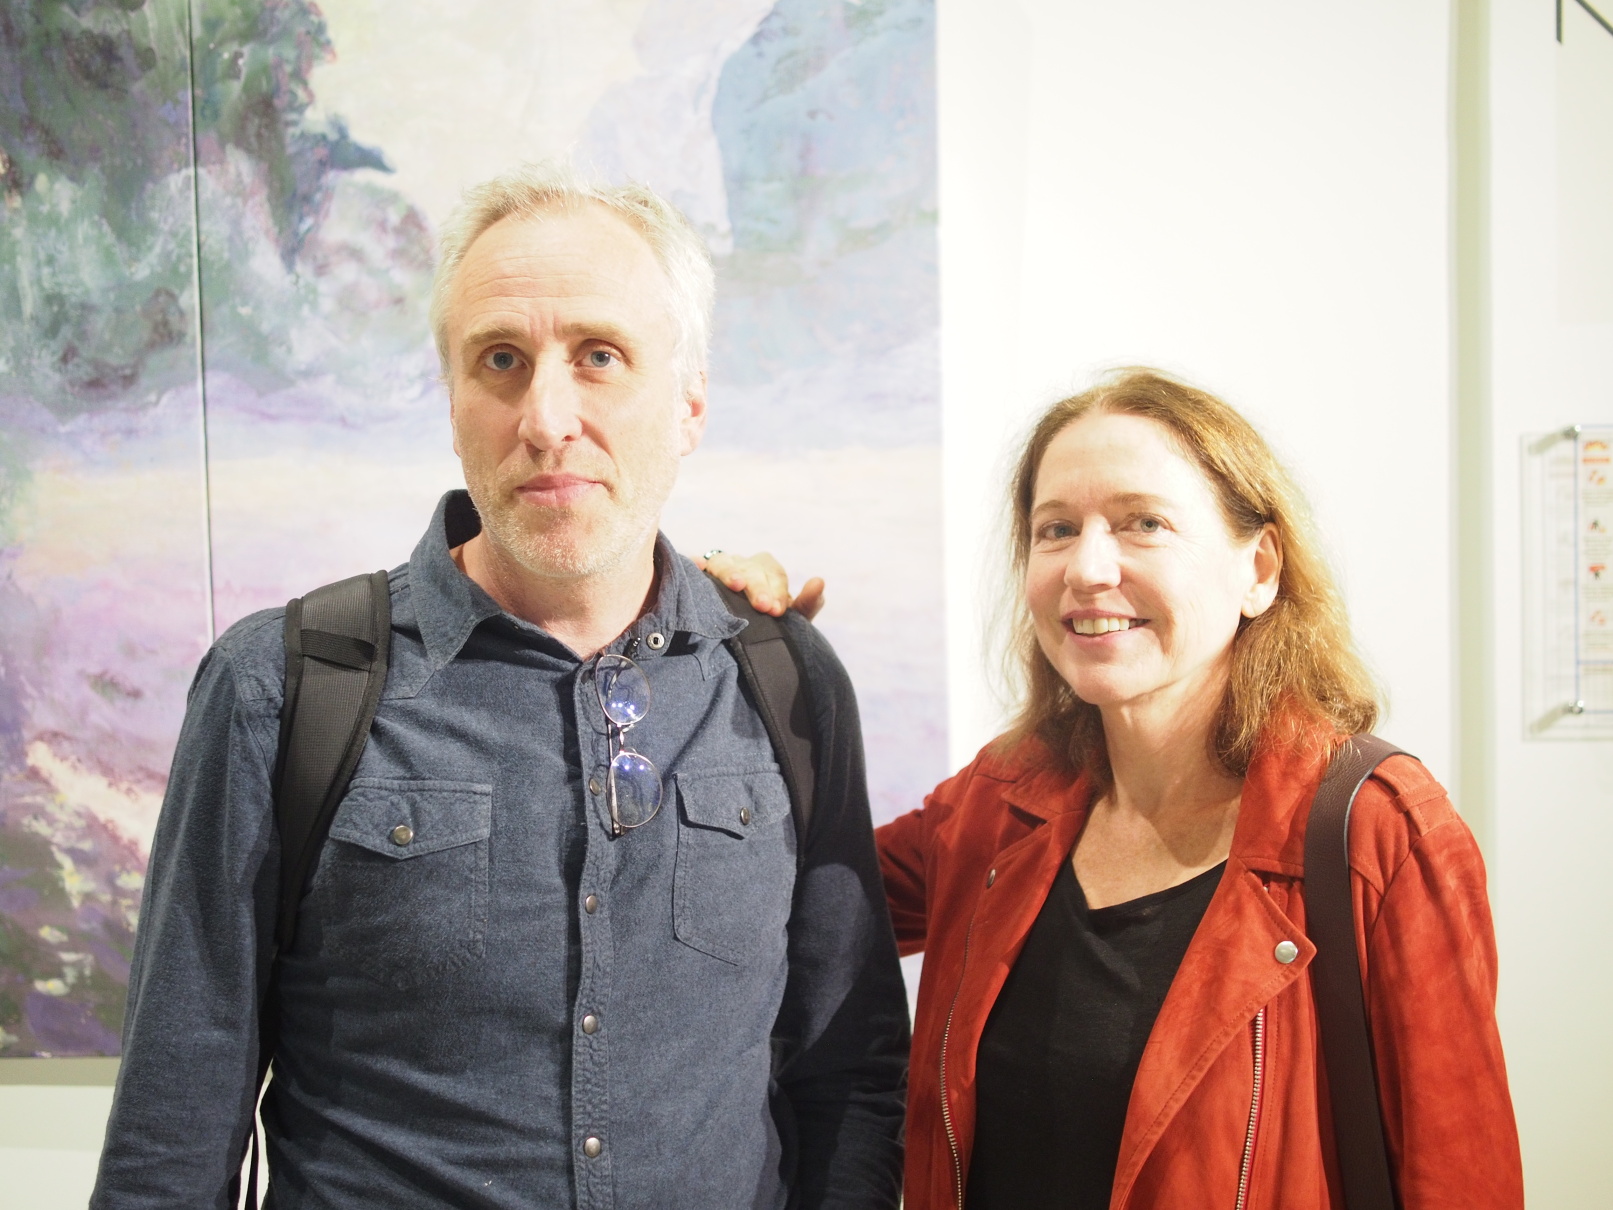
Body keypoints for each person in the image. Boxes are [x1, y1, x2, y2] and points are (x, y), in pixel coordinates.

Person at [91, 163, 909, 1210]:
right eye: (501, 361)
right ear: (452, 403)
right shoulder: (283, 688)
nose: (546, 417)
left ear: (689, 403)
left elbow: (846, 1076)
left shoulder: (783, 680)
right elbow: (173, 1125)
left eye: (600, 356)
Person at [709, 368, 1523, 1209]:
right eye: (1056, 529)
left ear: (1258, 569)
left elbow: (1458, 1177)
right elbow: (774, 900)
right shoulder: (996, 805)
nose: (1088, 568)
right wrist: (729, 655)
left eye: (1144, 523)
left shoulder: (1378, 833)